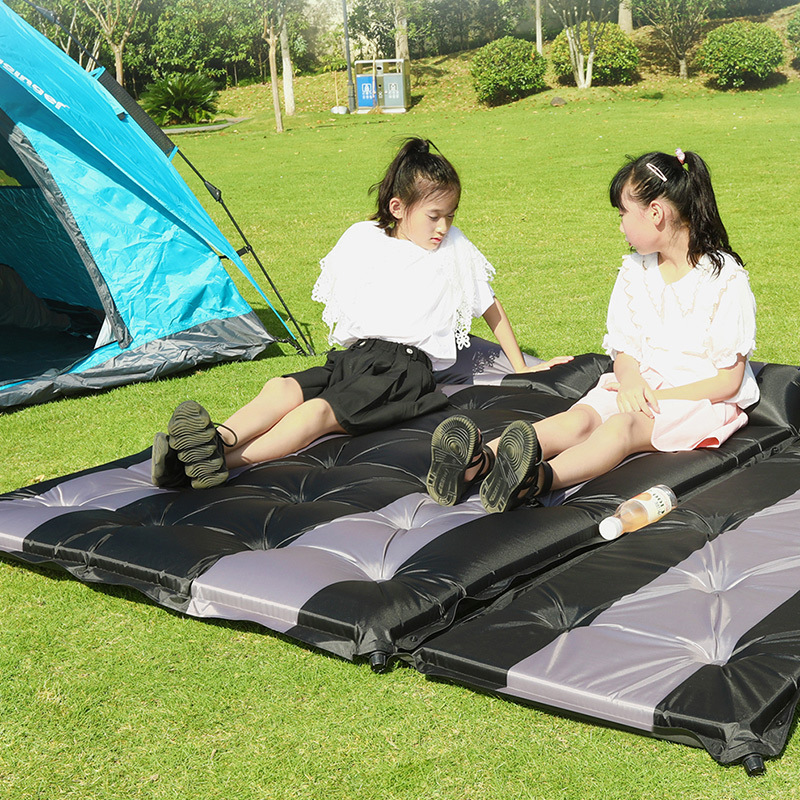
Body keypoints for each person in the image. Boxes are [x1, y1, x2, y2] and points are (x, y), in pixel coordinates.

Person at [152, 137, 570, 489]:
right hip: (356, 358)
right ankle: (216, 439)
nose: (443, 227)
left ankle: (222, 461)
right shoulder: (366, 238)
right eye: (434, 216)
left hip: (404, 373)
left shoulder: (453, 249)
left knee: (315, 414)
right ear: (397, 208)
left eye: (450, 216)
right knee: (280, 386)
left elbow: (490, 307)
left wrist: (522, 369)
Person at [426, 148, 758, 513]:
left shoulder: (724, 279)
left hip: (697, 401)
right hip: (642, 385)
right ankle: (479, 459)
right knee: (580, 418)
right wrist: (631, 380)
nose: (620, 226)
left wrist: (654, 399)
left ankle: (534, 480)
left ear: (656, 213)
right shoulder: (636, 271)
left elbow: (728, 382)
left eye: (623, 214)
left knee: (621, 429)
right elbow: (626, 348)